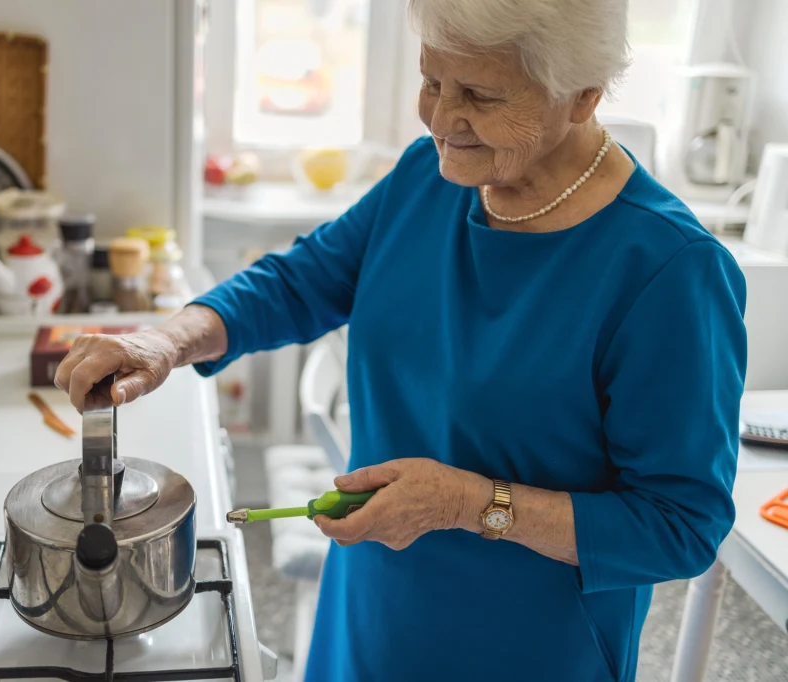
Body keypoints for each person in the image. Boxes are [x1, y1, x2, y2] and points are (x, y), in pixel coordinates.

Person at [54, 0, 748, 679]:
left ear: (583, 97)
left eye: (478, 93)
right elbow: (300, 282)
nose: (443, 119)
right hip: (371, 603)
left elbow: (680, 525)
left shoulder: (669, 271)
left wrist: (468, 503)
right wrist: (168, 341)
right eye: (431, 80)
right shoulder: (428, 177)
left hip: (523, 647)